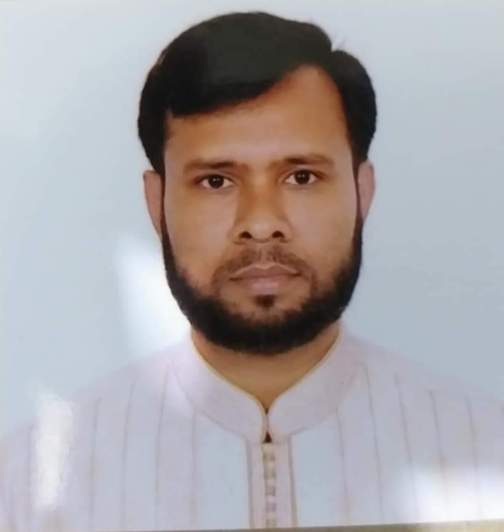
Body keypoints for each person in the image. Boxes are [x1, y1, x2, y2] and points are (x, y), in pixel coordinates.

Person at [1, 11, 504, 532]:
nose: (261, 224)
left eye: (301, 176)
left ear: (362, 192)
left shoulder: (486, 451)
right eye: (216, 181)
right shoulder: (25, 489)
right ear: (157, 204)